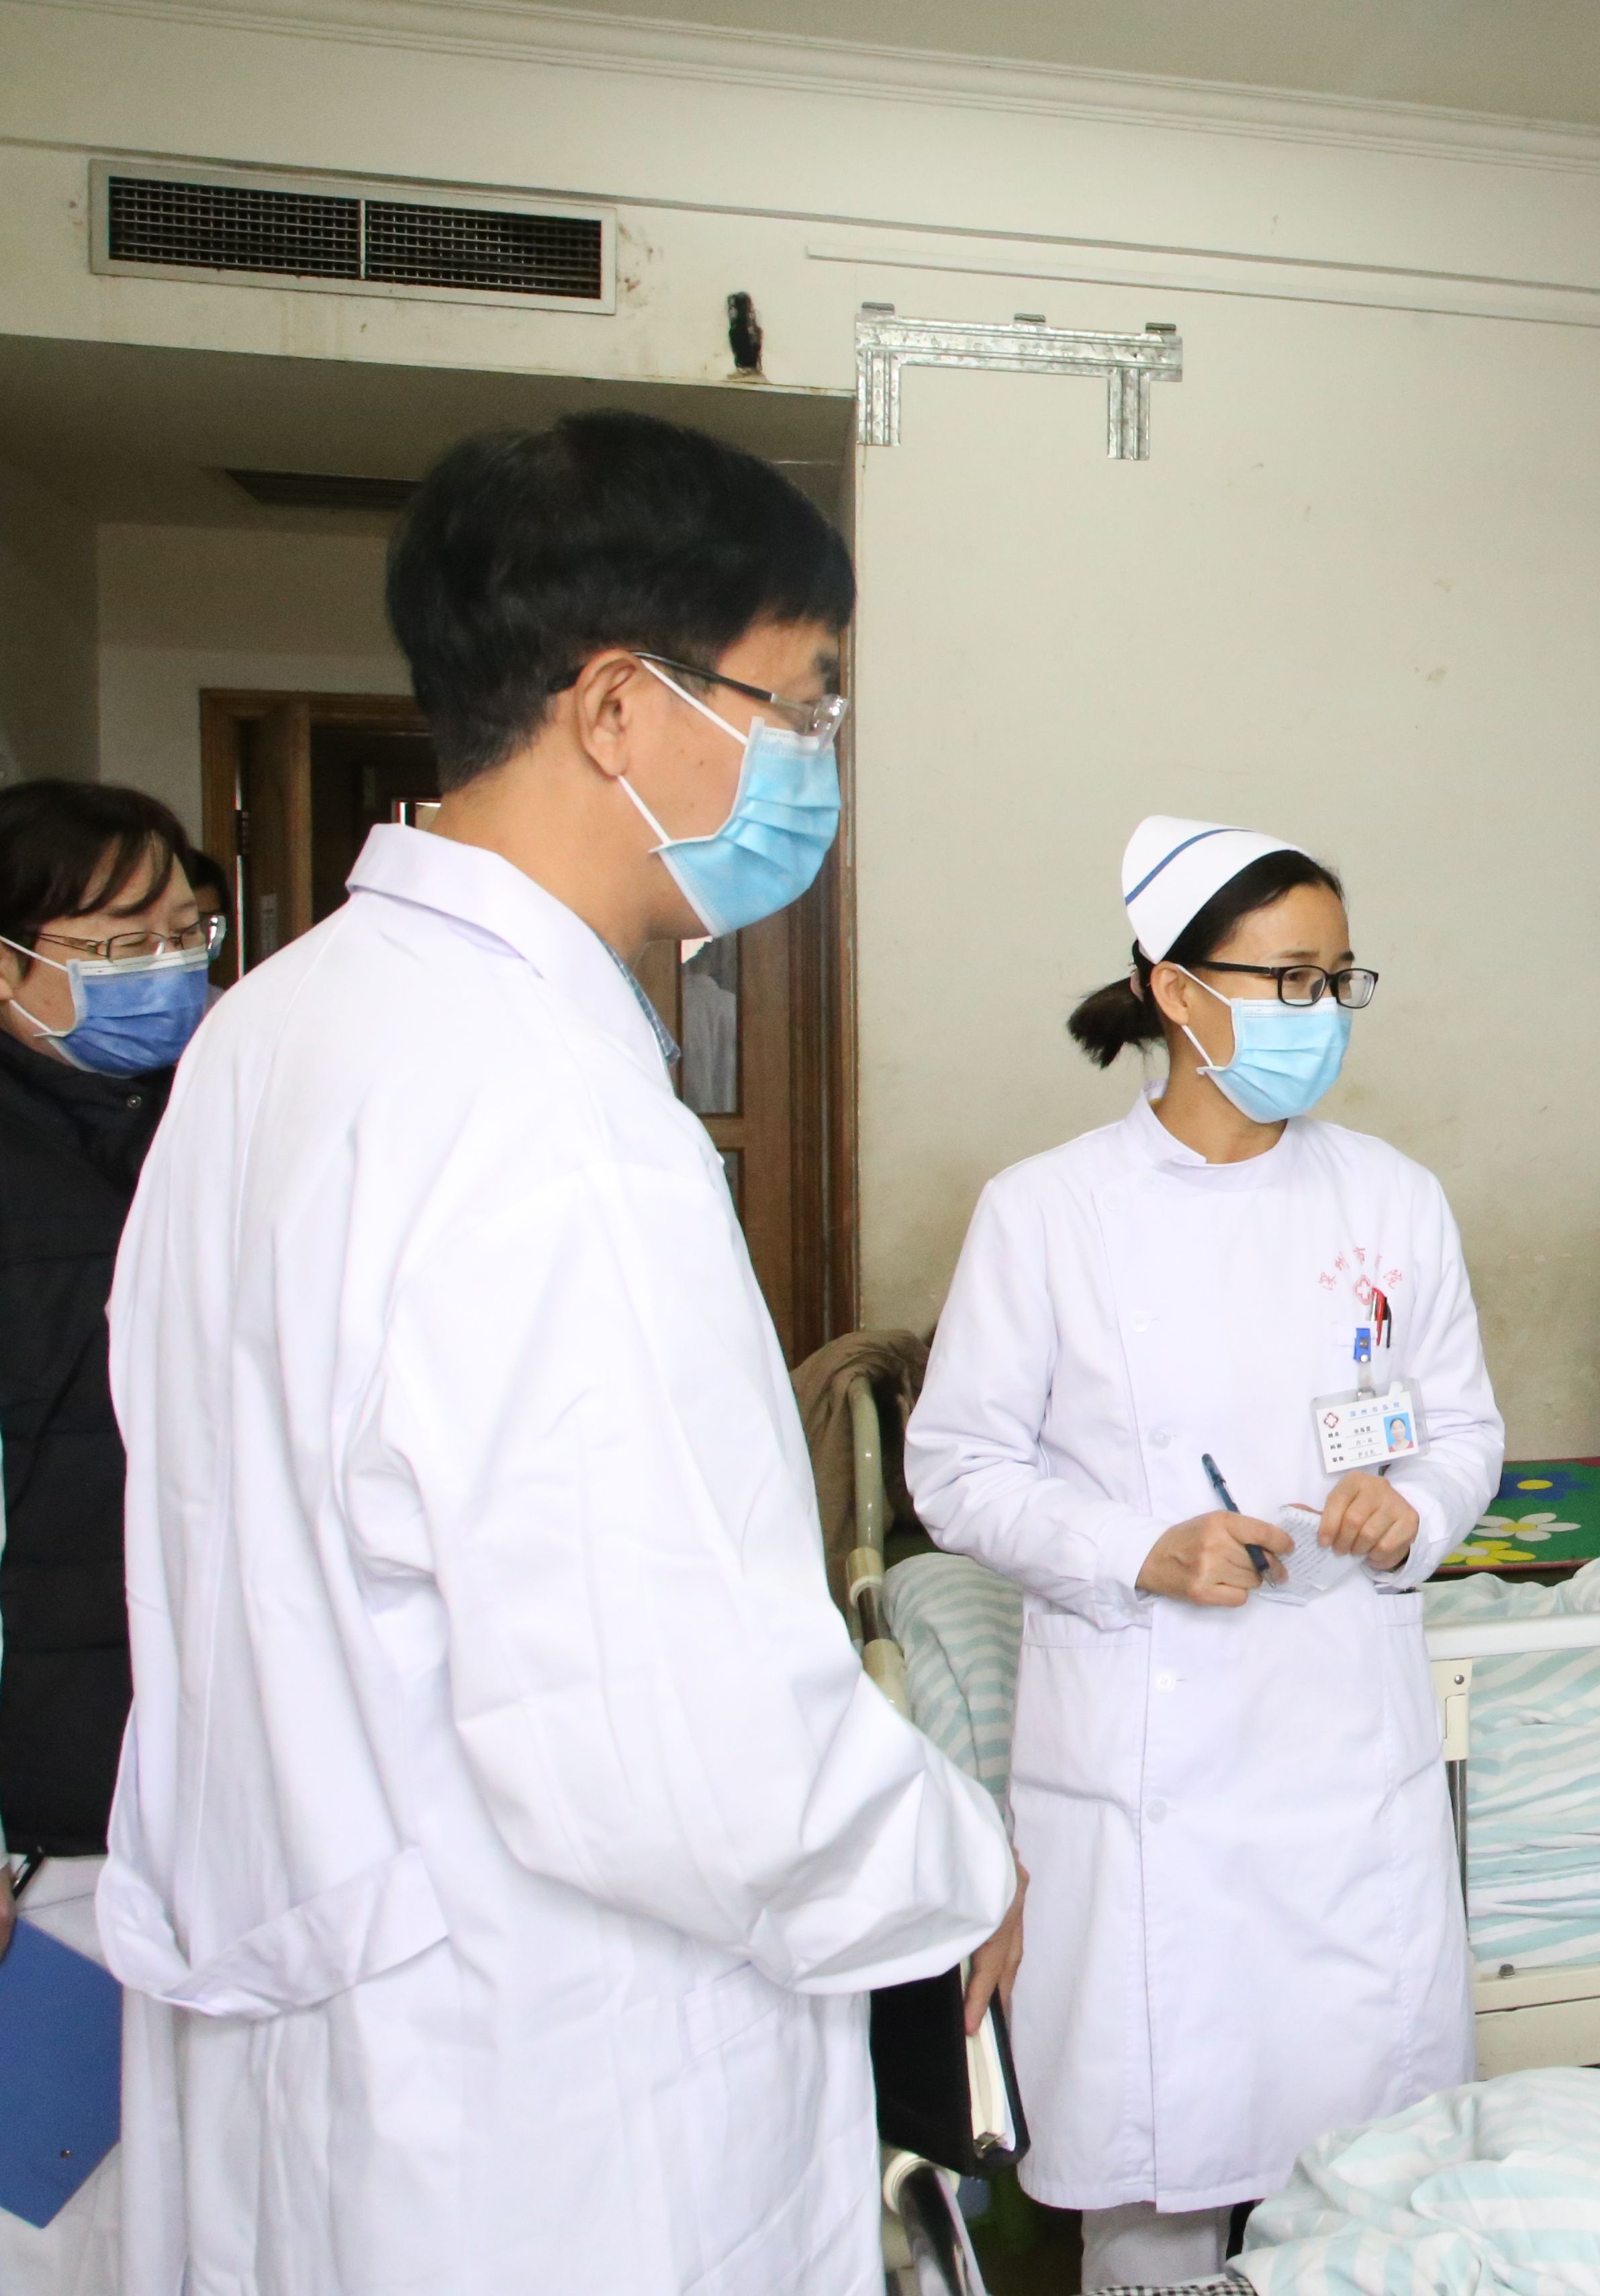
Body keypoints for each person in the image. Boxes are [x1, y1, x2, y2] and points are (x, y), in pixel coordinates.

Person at [99, 410, 1017, 2295]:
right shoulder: (547, 1118)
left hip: (333, 2029)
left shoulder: (277, 1030)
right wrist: (953, 1871)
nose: (817, 759)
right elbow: (677, 1744)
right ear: (617, 706)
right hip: (541, 2100)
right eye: (799, 702)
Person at [904, 816, 1505, 2288]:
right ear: (1176, 991)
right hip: (1154, 1769)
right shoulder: (1049, 1213)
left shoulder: (1391, 1198)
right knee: (1157, 2209)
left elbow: (1461, 1430)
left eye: (1339, 979)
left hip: (1344, 1757)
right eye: (1289, 978)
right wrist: (1139, 1549)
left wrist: (1415, 1512)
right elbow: (956, 1470)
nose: (1323, 1011)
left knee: (1370, 2185)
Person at [0, 781, 218, 2295]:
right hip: (48, 1823)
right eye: (118, 943)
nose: (165, 970)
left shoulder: (195, 1129)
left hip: (188, 1793)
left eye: (186, 933)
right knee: (55, 2225)